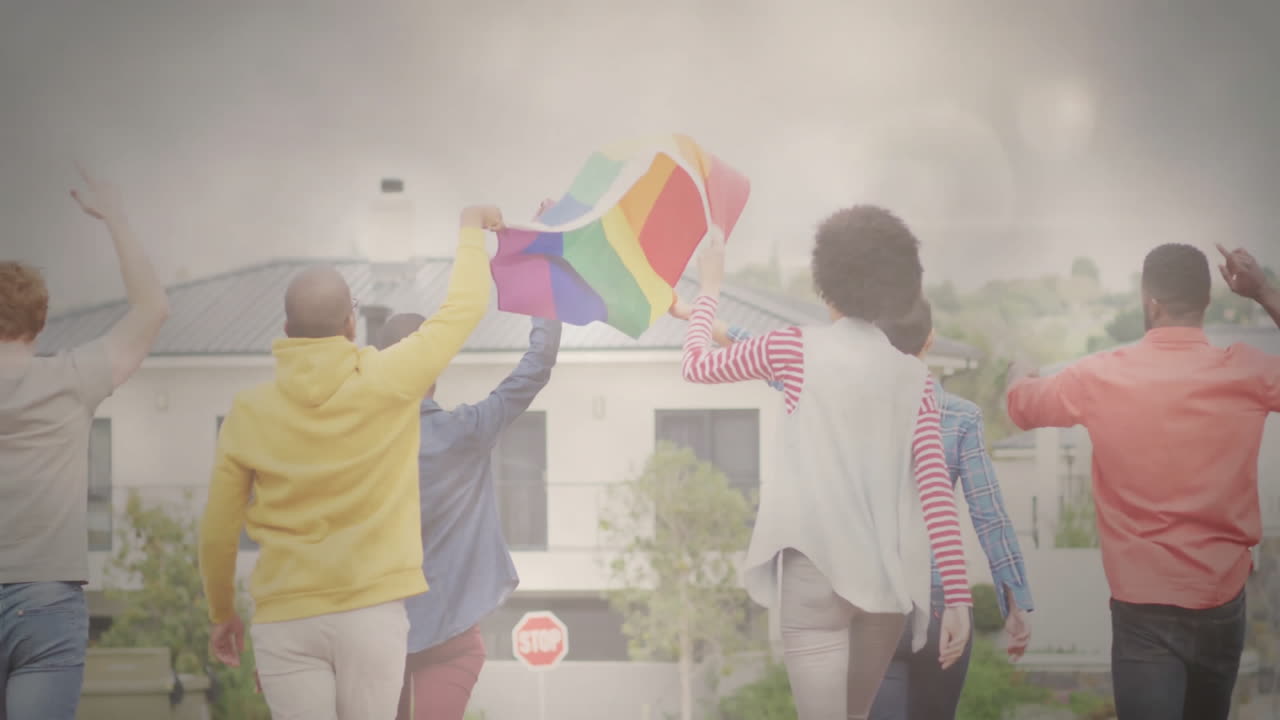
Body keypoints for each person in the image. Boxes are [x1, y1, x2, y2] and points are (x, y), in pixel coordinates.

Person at [198, 205, 500, 720]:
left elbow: (218, 530)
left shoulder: (247, 414)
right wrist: (470, 231)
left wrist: (223, 614)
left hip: (286, 618)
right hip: (372, 614)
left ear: (287, 327)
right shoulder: (389, 379)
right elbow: (463, 308)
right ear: (350, 323)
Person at [674, 295, 1034, 720]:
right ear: (930, 339)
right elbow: (989, 515)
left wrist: (697, 314)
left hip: (871, 594)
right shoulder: (961, 416)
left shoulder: (835, 386)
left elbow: (760, 349)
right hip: (937, 603)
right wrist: (1016, 599)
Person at [1005, 242, 1280, 720]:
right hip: (1222, 599)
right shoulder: (1246, 370)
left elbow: (1022, 407)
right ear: (1207, 302)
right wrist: (1263, 292)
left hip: (1142, 606)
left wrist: (1018, 375)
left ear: (1150, 301)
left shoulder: (1101, 375)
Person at [1, 167, 170, 720]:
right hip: (46, 602)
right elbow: (151, 310)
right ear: (42, 320)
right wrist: (115, 218)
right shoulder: (73, 379)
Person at [375, 312, 561, 720]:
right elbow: (537, 364)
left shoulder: (357, 445)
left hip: (373, 636)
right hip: (451, 636)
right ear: (437, 366)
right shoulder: (467, 432)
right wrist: (544, 297)